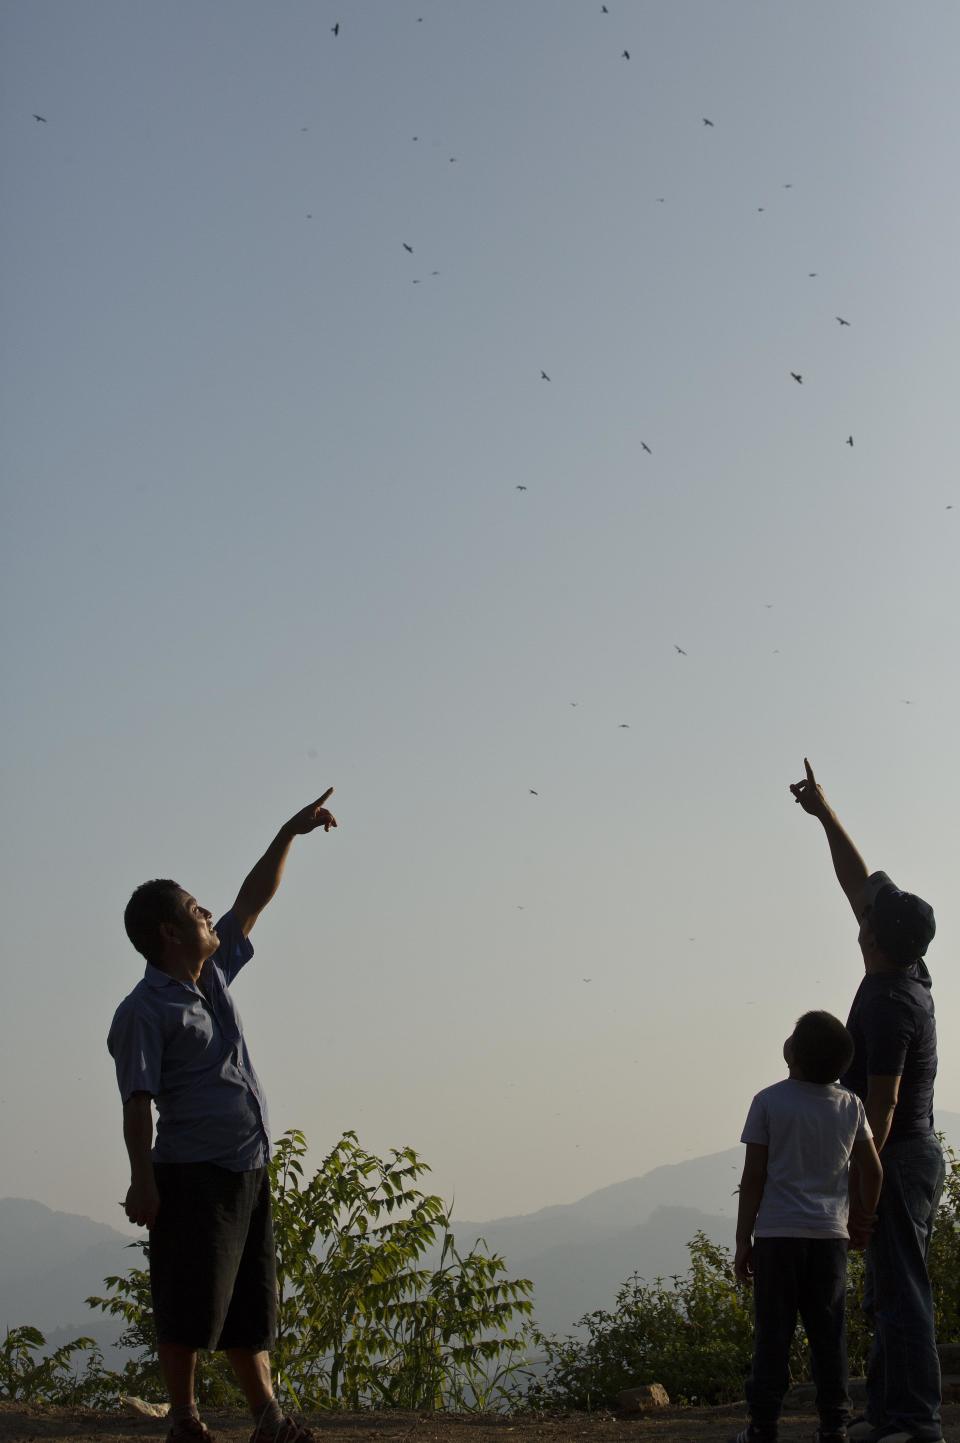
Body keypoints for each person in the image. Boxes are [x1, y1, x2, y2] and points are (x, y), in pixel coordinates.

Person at [107, 790, 338, 1443]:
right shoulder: (144, 1011)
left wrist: (289, 831)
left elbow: (252, 900)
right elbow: (136, 1100)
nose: (208, 911)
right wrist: (141, 1179)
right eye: (193, 907)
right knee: (189, 1299)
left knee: (246, 1301)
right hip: (189, 1170)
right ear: (169, 933)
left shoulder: (209, 978)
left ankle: (268, 1415)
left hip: (245, 1165)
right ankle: (183, 1418)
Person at [790, 759, 946, 1443]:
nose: (861, 914)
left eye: (868, 919)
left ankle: (914, 1421)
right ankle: (886, 1411)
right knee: (889, 1289)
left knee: (902, 1292)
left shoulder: (887, 1005)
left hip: (898, 1157)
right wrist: (824, 812)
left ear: (874, 938)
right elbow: (860, 881)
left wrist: (865, 1178)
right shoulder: (909, 965)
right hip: (908, 1155)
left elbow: (878, 1109)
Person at [731, 1010, 883, 1443]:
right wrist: (862, 1220)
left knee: (772, 1335)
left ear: (792, 1052)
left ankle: (762, 1427)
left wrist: (745, 1239)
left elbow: (754, 1176)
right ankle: (834, 1426)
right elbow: (873, 1171)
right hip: (829, 1237)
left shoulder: (768, 1101)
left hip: (778, 1236)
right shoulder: (850, 1104)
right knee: (828, 1334)